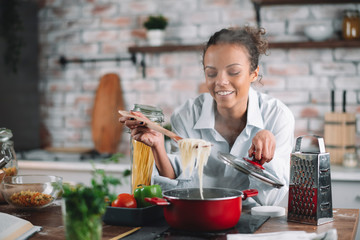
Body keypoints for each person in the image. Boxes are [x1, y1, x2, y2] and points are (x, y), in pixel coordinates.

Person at [120, 26, 295, 207]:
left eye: (233, 72)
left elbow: (271, 200)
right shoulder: (187, 115)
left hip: (257, 223)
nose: (220, 81)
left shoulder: (277, 116)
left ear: (254, 73)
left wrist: (265, 158)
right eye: (211, 73)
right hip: (199, 217)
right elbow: (179, 188)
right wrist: (157, 146)